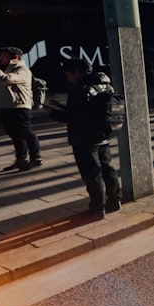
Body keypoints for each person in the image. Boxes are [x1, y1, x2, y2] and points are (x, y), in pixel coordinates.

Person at [48, 59, 122, 215]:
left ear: (76, 71)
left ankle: (97, 206)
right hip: (103, 134)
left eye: (68, 75)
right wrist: (61, 106)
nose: (67, 78)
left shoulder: (81, 88)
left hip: (84, 137)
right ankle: (115, 200)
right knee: (107, 169)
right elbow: (90, 109)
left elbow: (73, 116)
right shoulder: (105, 85)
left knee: (91, 173)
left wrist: (52, 112)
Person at [0, 46, 42, 171]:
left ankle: (36, 158)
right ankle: (21, 160)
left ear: (14, 57)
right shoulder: (3, 70)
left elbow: (5, 79)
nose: (0, 57)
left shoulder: (22, 70)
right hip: (5, 107)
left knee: (26, 132)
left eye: (3, 55)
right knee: (15, 135)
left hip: (19, 107)